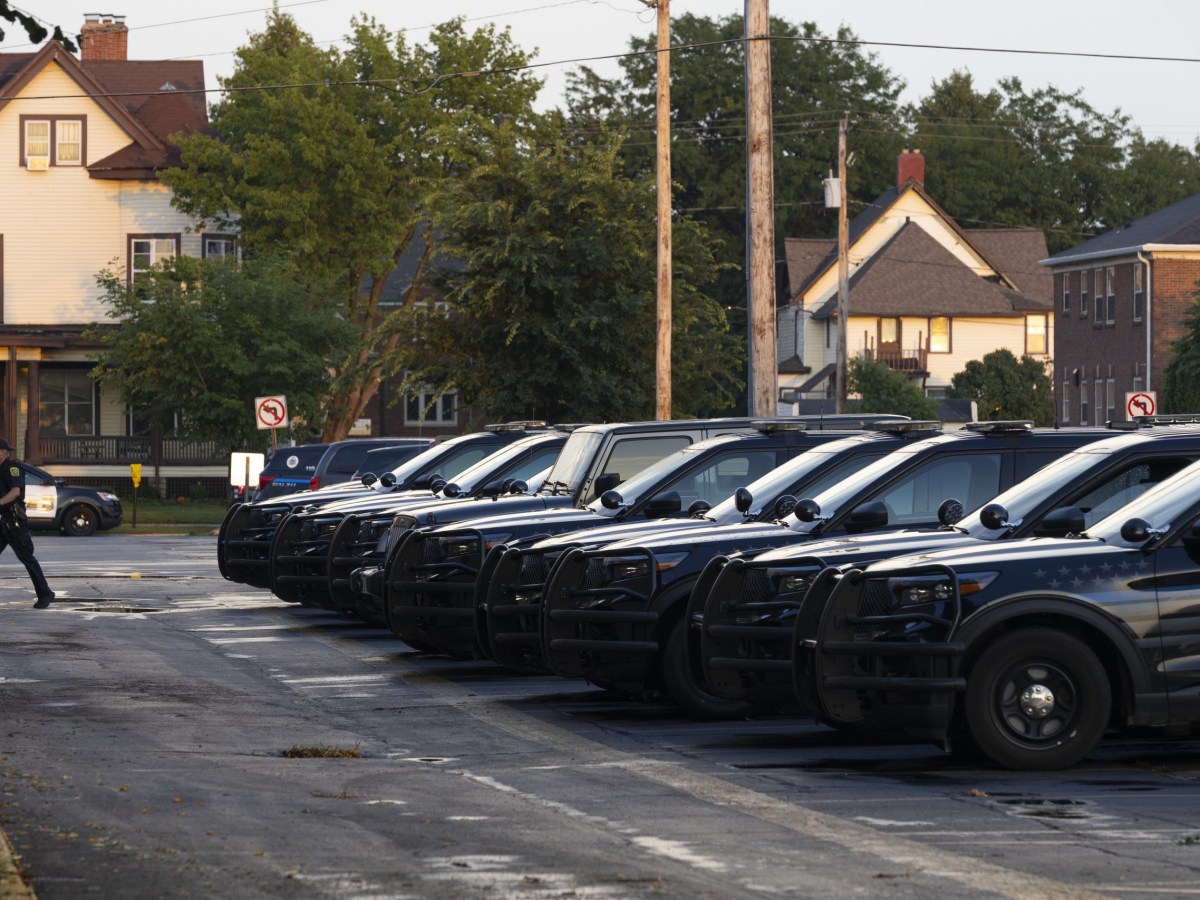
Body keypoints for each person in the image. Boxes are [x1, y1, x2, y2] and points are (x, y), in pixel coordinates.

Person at [0, 439, 55, 608]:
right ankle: (45, 593)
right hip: (2, 522)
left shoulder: (12, 468)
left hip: (14, 522)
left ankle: (45, 594)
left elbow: (15, 492)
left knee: (27, 558)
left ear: (1, 452)